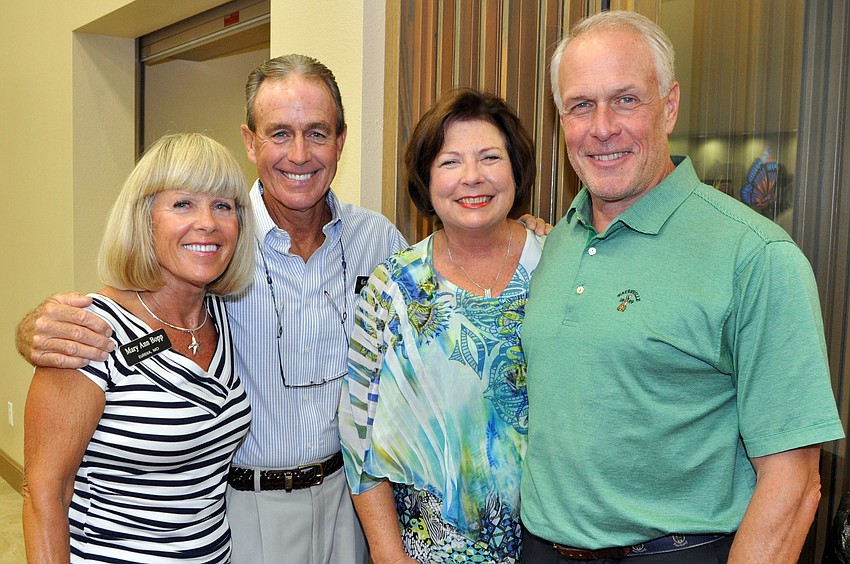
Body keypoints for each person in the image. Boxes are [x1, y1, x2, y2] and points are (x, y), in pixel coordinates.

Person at [15, 55, 550, 563]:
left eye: (318, 132)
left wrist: (528, 235)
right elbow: (147, 304)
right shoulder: (220, 241)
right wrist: (36, 326)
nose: (300, 154)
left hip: (353, 499)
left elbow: (446, 282)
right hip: (245, 506)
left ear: (341, 141)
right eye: (279, 134)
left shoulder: (379, 242)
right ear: (250, 142)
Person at [519, 11, 844, 564]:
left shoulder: (756, 256)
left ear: (669, 105)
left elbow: (795, 482)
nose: (601, 127)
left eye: (626, 99)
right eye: (580, 105)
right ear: (561, 121)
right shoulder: (558, 242)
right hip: (541, 549)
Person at [22, 132, 255, 562]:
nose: (207, 221)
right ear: (143, 218)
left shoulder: (224, 316)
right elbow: (44, 494)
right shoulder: (86, 333)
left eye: (223, 205)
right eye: (183, 203)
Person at [338, 88, 542, 563]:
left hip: (554, 546)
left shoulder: (559, 269)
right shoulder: (394, 286)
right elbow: (356, 433)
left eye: (490, 157)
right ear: (426, 179)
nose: (472, 177)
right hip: (426, 551)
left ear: (515, 169)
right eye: (450, 162)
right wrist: (390, 556)